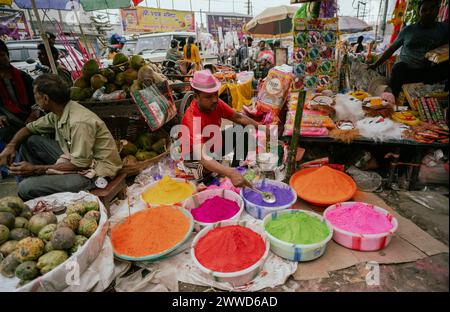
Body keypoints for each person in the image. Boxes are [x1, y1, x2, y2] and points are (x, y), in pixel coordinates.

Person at [0, 74, 122, 201]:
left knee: (25, 188)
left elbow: (81, 165)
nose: (34, 99)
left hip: (96, 172)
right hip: (79, 159)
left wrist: (35, 169)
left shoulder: (79, 122)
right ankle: (38, 183)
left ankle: (34, 186)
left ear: (45, 99)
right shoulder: (59, 111)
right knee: (30, 141)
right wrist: (11, 146)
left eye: (35, 95)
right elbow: (30, 128)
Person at [180, 70, 260, 188]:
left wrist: (263, 129)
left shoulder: (216, 103)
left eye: (215, 94)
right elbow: (203, 157)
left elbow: (238, 117)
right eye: (208, 96)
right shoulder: (191, 118)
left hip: (213, 148)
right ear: (196, 97)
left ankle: (237, 169)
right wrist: (229, 173)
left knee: (240, 130)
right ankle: (211, 178)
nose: (215, 100)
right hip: (196, 158)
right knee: (202, 170)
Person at [368, 0, 449, 97]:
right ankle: (393, 100)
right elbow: (391, 49)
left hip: (428, 71)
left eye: (432, 9)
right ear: (419, 12)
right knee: (398, 67)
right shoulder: (408, 30)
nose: (428, 12)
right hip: (407, 71)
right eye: (424, 10)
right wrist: (376, 64)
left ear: (437, 10)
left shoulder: (444, 29)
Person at [0, 40, 37, 145]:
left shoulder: (22, 76)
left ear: (7, 55)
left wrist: (35, 111)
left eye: (2, 55)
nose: (1, 59)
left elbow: (37, 97)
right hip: (8, 121)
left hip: (29, 117)